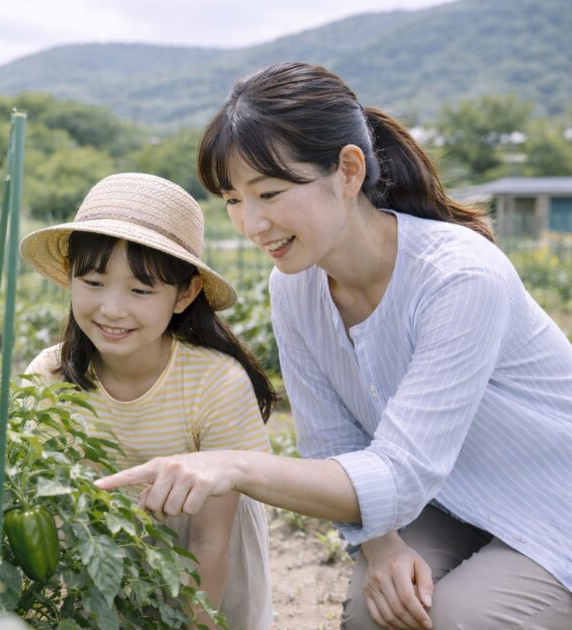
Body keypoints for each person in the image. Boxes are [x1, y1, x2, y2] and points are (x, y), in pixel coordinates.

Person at [96, 62, 572, 629]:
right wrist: (383, 546)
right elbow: (334, 443)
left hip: (549, 499)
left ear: (348, 171)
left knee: (457, 619)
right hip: (445, 499)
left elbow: (399, 472)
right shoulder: (295, 286)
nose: (252, 223)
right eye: (232, 199)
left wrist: (234, 466)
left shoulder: (458, 275)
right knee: (379, 613)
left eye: (270, 192)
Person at [21, 173, 277, 630]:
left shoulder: (214, 382)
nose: (112, 309)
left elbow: (211, 540)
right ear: (70, 277)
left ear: (185, 294)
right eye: (94, 282)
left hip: (208, 566)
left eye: (140, 290)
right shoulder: (50, 376)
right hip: (99, 561)